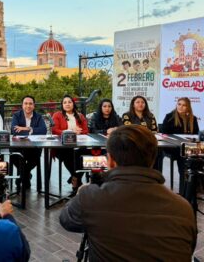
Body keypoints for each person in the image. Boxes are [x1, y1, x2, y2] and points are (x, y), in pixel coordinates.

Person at [59, 125, 197, 261]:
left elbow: (66, 220)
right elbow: (188, 248)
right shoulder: (183, 208)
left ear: (111, 161)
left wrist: (81, 194)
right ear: (153, 159)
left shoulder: (90, 197)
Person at [161, 97, 200, 194]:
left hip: (187, 147)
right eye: (179, 104)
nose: (181, 107)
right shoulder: (169, 116)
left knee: (196, 159)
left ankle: (193, 187)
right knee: (185, 161)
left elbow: (196, 134)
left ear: (188, 107)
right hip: (173, 147)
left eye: (184, 105)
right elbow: (164, 133)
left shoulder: (192, 118)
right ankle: (185, 192)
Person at [52, 95, 88, 194]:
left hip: (78, 145)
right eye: (65, 102)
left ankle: (74, 177)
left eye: (69, 102)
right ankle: (76, 179)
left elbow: (86, 130)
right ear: (62, 105)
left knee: (86, 155)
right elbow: (54, 130)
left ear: (73, 104)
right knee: (68, 155)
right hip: (62, 146)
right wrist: (71, 131)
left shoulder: (80, 115)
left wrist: (80, 132)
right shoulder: (57, 115)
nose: (67, 104)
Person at [11, 95, 47, 189]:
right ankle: (26, 176)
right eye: (26, 103)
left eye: (30, 104)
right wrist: (33, 130)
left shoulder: (38, 116)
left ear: (34, 106)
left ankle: (22, 177)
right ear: (22, 105)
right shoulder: (16, 115)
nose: (28, 106)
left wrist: (26, 128)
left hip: (33, 147)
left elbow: (43, 130)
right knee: (14, 157)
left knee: (35, 158)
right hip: (19, 146)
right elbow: (14, 131)